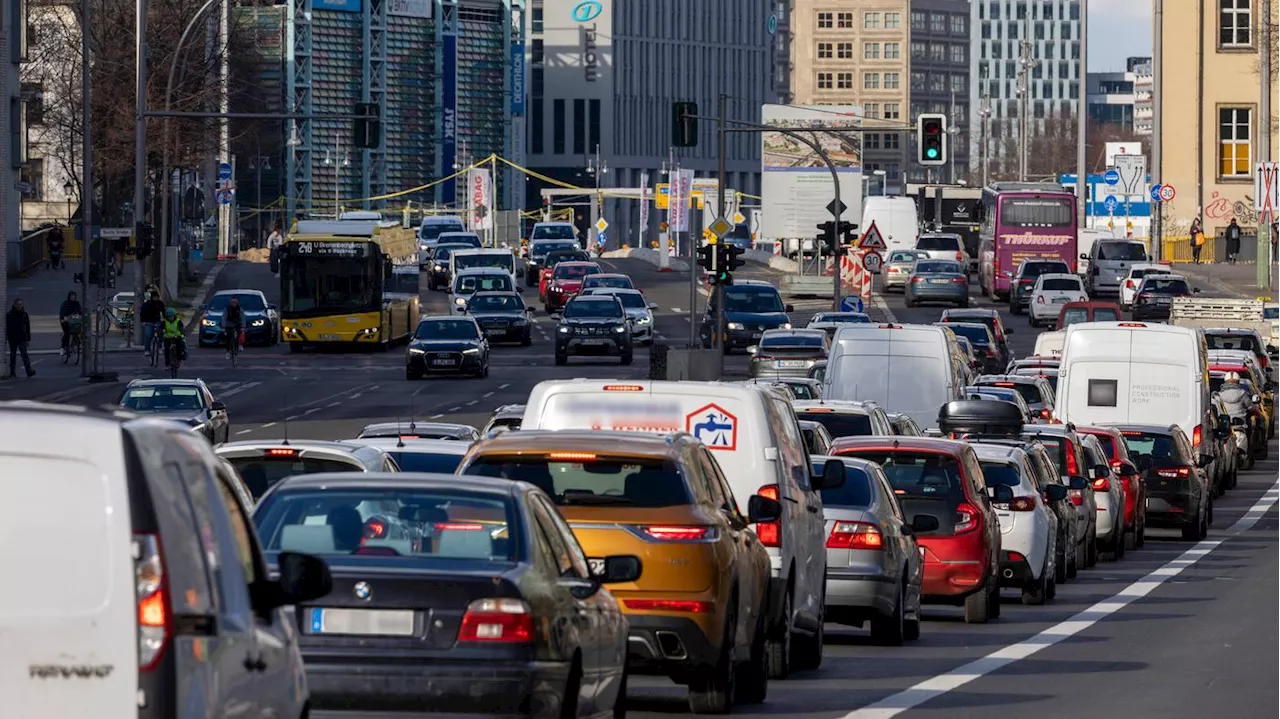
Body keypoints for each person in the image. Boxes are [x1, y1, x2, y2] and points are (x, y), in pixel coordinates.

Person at [5, 298, 35, 378]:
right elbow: (7, 327)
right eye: (18, 304)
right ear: (15, 305)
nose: (19, 306)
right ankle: (12, 372)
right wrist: (7, 337)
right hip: (13, 338)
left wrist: (28, 338)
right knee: (13, 355)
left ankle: (29, 371)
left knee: (24, 354)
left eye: (21, 304)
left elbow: (27, 327)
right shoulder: (10, 314)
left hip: (22, 338)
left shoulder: (24, 315)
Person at [139, 289, 166, 355]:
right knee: (148, 335)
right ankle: (147, 350)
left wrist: (165, 319)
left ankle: (159, 347)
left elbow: (164, 312)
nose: (156, 298)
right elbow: (142, 313)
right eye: (155, 296)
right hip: (149, 321)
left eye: (157, 296)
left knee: (160, 334)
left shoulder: (160, 303)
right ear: (152, 297)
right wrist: (143, 321)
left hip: (157, 321)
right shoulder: (147, 304)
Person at [58, 291, 83, 357]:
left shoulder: (76, 303)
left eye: (74, 296)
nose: (73, 297)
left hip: (75, 322)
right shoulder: (65, 303)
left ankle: (75, 344)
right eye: (71, 296)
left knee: (79, 331)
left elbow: (80, 311)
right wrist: (63, 318)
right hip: (66, 322)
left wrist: (80, 316)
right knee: (67, 333)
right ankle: (63, 347)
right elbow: (62, 312)